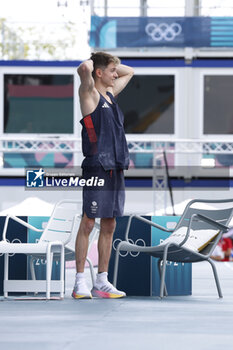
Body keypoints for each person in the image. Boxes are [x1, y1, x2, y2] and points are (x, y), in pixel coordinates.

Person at [72, 52, 134, 299]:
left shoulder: (110, 94)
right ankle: (79, 283)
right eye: (111, 71)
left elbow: (130, 72)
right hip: (97, 165)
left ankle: (102, 281)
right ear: (99, 73)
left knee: (110, 224)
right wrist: (94, 58)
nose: (116, 75)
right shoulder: (90, 94)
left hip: (116, 166)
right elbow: (83, 68)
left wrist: (111, 62)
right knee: (89, 222)